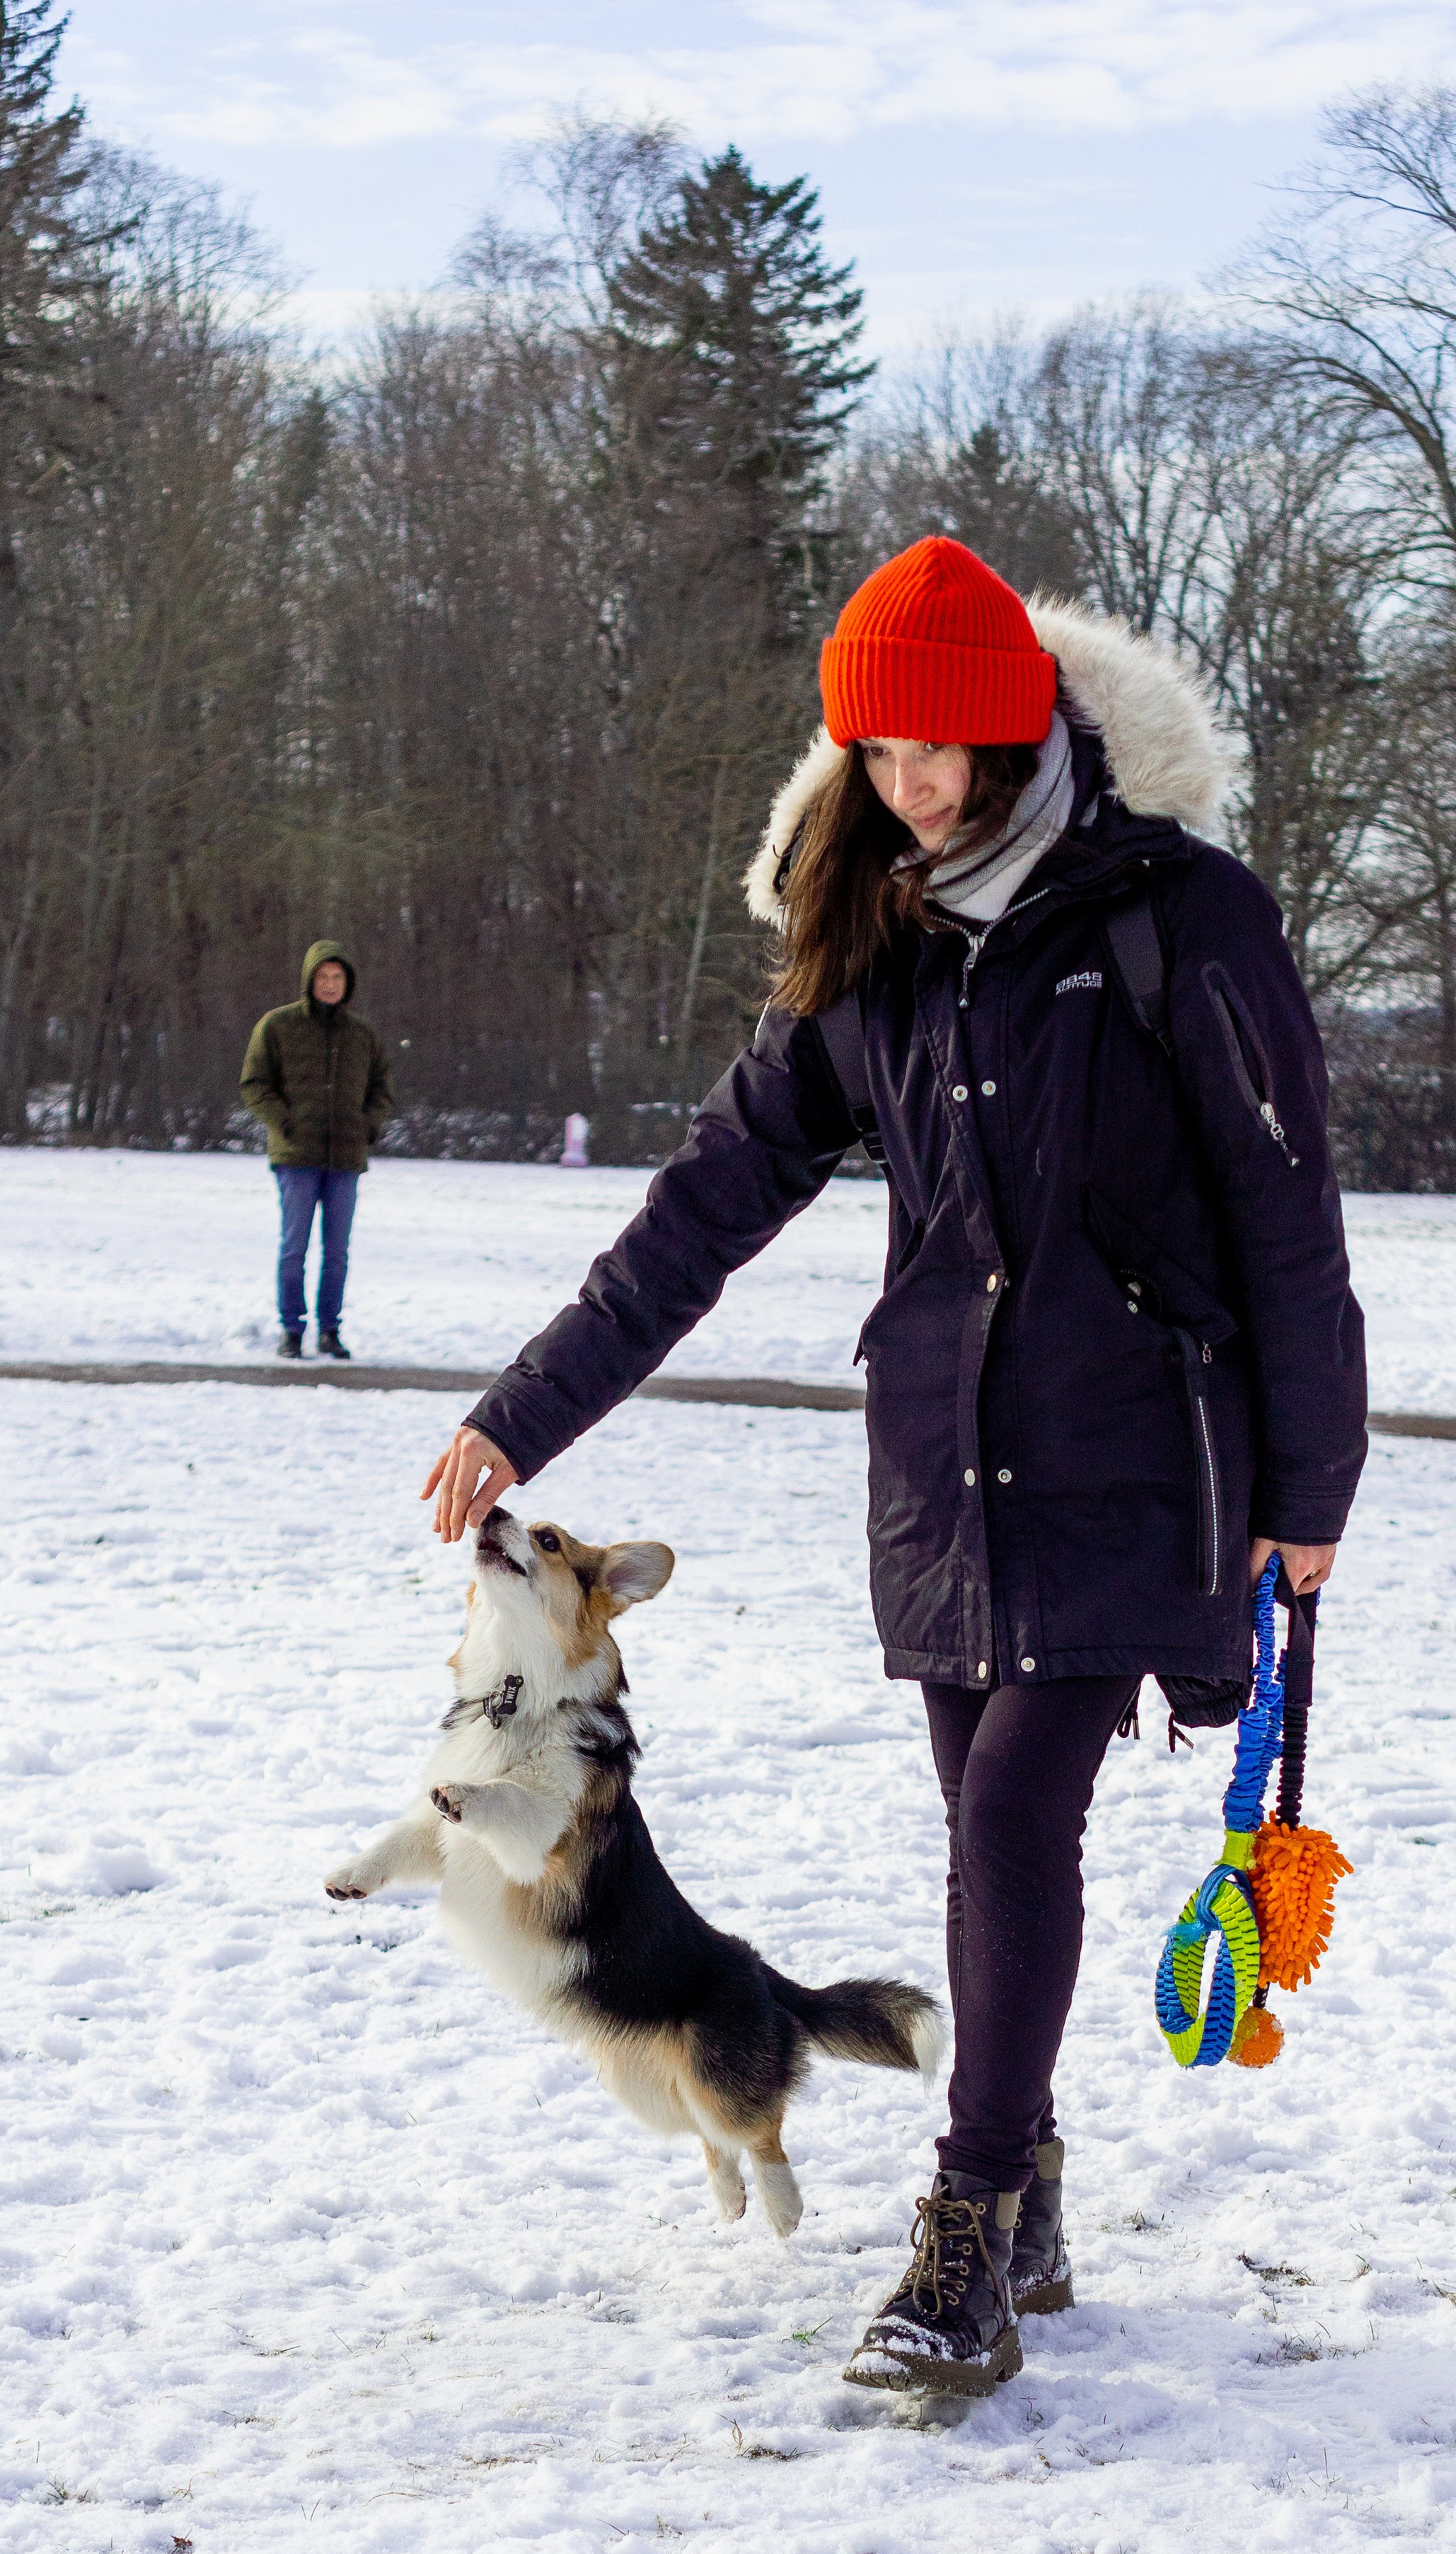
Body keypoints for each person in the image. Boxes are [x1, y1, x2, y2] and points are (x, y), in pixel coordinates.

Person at [422, 539, 1368, 2395]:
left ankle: (967, 2225)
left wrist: (1311, 1482)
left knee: (1019, 1811)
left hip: (1142, 1449)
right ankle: (1033, 2187)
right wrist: (526, 1410)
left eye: (943, 744)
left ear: (1018, 723)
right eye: (878, 747)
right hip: (945, 1450)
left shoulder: (1179, 914)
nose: (913, 782)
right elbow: (707, 1206)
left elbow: (1288, 1209)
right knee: (985, 1821)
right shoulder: (864, 934)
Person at [240, 939, 393, 1361]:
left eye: (337, 977)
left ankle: (330, 1330)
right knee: (294, 1249)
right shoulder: (277, 1026)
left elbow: (382, 1091)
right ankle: (292, 1330)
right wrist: (285, 1122)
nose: (330, 984)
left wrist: (367, 1125)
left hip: (345, 1159)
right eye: (322, 976)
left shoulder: (363, 1035)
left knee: (337, 1252)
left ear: (349, 982)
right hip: (296, 1157)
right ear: (309, 979)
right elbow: (255, 1085)